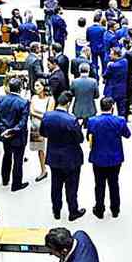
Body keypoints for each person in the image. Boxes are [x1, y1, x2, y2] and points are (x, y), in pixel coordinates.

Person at [41, 92, 87, 221]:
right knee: (71, 187)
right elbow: (80, 139)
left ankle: (56, 211)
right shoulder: (72, 120)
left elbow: (43, 133)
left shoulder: (47, 116)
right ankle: (73, 211)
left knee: (55, 186)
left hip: (54, 156)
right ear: (68, 103)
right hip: (71, 158)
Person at [88, 97, 131, 219]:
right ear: (112, 107)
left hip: (98, 158)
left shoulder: (92, 121)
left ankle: (99, 209)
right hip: (115, 158)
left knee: (99, 185)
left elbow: (89, 136)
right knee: (114, 184)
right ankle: (115, 209)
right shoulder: (119, 121)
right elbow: (127, 135)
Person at [0, 78, 30, 192]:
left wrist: (5, 131)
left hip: (5, 135)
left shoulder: (0, 99)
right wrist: (12, 131)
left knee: (7, 156)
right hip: (18, 136)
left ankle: (5, 180)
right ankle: (16, 185)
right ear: (20, 88)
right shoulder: (24, 102)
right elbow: (22, 123)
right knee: (18, 160)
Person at [29, 79, 54, 182]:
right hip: (35, 127)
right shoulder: (33, 97)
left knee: (48, 149)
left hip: (46, 127)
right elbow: (31, 111)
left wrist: (36, 113)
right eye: (35, 86)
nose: (36, 88)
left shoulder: (50, 99)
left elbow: (48, 115)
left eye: (38, 86)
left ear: (44, 87)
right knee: (40, 150)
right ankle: (43, 170)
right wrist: (41, 115)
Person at [103, 47, 128, 118]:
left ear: (116, 55)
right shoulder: (125, 62)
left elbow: (105, 75)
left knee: (109, 109)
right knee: (122, 110)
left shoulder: (111, 66)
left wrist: (108, 65)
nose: (109, 55)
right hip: (122, 90)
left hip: (112, 90)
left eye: (111, 54)